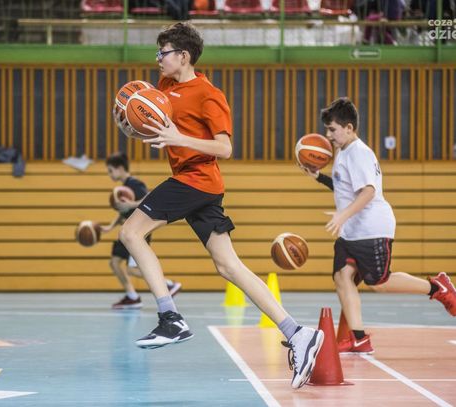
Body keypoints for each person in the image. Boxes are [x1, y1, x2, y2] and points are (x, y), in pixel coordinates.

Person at [114, 22, 323, 389]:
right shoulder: (163, 87)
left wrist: (179, 138)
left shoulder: (209, 95)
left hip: (195, 179)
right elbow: (154, 123)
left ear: (184, 56)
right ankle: (298, 333)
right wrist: (132, 125)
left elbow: (224, 148)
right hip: (200, 186)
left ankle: (170, 318)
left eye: (163, 52)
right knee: (229, 266)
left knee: (131, 233)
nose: (158, 58)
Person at [300, 97, 456, 354]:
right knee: (342, 276)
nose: (328, 135)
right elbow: (344, 187)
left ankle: (437, 287)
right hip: (352, 231)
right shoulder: (344, 152)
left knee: (379, 283)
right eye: (327, 129)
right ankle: (359, 338)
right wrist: (319, 177)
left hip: (371, 228)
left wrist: (342, 215)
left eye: (332, 129)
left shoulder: (359, 153)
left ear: (349, 128)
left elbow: (368, 191)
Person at [101, 152, 182, 309]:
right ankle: (132, 297)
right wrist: (110, 226)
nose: (109, 174)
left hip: (138, 232)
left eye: (110, 170)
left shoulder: (134, 184)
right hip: (127, 230)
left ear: (120, 168)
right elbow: (124, 212)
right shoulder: (124, 188)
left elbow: (150, 197)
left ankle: (169, 285)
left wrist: (130, 205)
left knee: (132, 269)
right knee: (115, 262)